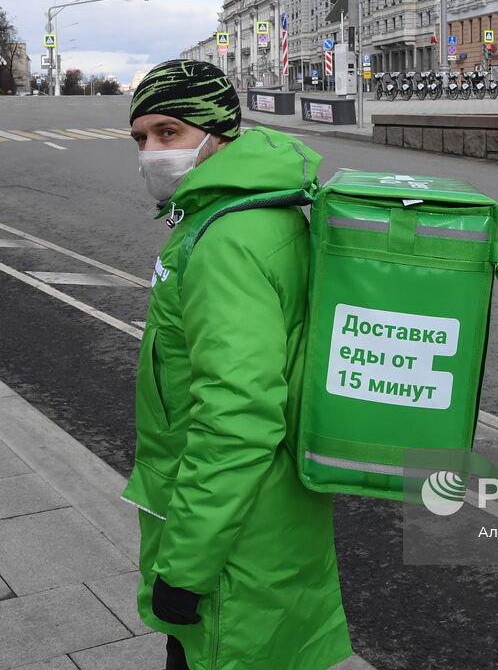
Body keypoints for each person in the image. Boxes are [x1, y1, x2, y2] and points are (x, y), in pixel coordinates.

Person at [124, 59, 352, 670]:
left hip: (230, 542)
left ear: (218, 131)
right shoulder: (263, 208)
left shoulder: (226, 240)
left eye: (169, 132)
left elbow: (237, 419)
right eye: (141, 137)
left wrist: (185, 568)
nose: (152, 152)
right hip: (271, 516)